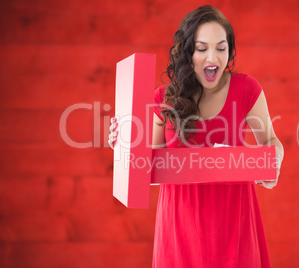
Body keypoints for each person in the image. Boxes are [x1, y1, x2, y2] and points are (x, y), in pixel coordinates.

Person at [109, 5, 284, 268]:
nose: (212, 58)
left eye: (221, 48)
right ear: (187, 51)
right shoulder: (164, 98)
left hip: (234, 222)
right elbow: (147, 164)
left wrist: (275, 161)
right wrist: (124, 144)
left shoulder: (247, 89)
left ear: (230, 49)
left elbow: (271, 141)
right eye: (201, 49)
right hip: (178, 227)